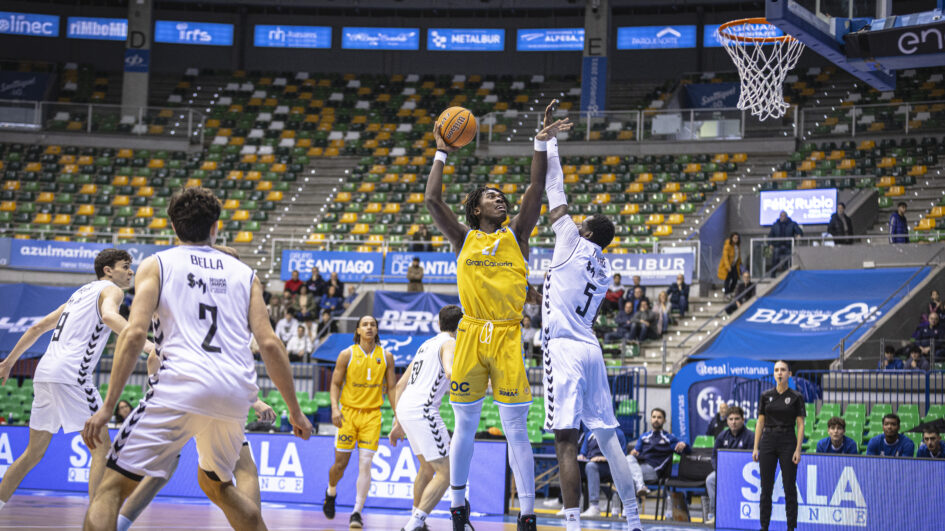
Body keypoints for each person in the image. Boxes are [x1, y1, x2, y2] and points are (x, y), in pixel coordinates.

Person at [81, 186, 313, 530]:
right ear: (215, 227)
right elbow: (270, 344)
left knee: (110, 489)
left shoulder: (157, 264)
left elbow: (133, 334)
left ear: (173, 228)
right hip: (233, 394)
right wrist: (295, 411)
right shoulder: (246, 274)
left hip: (180, 386)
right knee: (217, 485)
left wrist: (107, 406)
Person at [424, 98, 569, 531]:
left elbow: (534, 190)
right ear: (475, 209)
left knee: (515, 429)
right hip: (469, 334)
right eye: (491, 197)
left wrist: (540, 145)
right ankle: (457, 506)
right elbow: (432, 199)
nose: (500, 199)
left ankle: (527, 514)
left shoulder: (517, 234)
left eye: (502, 197)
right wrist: (441, 152)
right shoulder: (462, 238)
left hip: (506, 336)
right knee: (464, 426)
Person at [539, 126, 643, 531]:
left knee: (565, 440)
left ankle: (571, 523)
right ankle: (633, 519)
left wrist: (549, 141)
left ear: (585, 231)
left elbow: (553, 184)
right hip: (590, 347)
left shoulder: (570, 238)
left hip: (564, 349)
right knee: (607, 437)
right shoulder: (604, 268)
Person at [0, 249, 154, 512]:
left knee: (32, 453)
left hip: (45, 373)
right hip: (72, 375)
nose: (131, 272)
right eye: (125, 266)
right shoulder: (112, 291)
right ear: (108, 270)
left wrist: (8, 363)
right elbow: (108, 316)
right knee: (102, 448)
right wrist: (151, 347)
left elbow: (37, 328)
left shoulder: (77, 295)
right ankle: (97, 520)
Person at [114, 350, 278, 531]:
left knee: (165, 469)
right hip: (212, 394)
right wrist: (254, 400)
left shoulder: (169, 330)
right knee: (240, 470)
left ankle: (119, 525)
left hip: (174, 394)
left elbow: (150, 351)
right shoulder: (223, 329)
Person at [388, 305, 462, 531]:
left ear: (439, 324)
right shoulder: (450, 343)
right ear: (461, 326)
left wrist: (397, 421)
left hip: (406, 409)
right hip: (423, 410)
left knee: (427, 469)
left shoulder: (425, 345)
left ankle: (416, 519)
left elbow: (400, 385)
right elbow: (450, 372)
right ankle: (413, 525)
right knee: (446, 473)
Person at [323, 315, 397, 529]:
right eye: (364, 325)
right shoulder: (346, 354)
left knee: (365, 464)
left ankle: (356, 512)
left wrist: (397, 414)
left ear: (376, 330)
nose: (369, 328)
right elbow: (335, 384)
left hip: (372, 415)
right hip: (348, 414)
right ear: (357, 330)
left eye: (372, 324)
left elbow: (391, 388)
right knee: (340, 465)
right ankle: (331, 492)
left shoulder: (386, 356)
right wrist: (335, 408)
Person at [753, 360, 805, 531]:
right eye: (776, 370)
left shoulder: (797, 397)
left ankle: (791, 527)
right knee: (765, 488)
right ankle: (764, 527)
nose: (779, 373)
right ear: (774, 374)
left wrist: (798, 449)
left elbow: (801, 425)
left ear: (789, 374)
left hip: (787, 440)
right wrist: (756, 447)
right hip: (768, 440)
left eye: (783, 370)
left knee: (789, 487)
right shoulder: (765, 395)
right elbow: (760, 423)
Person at [625, 408, 688, 518]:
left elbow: (685, 449)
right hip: (641, 468)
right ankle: (640, 487)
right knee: (629, 458)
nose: (656, 420)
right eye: (654, 417)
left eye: (659, 417)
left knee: (626, 476)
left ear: (664, 420)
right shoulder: (644, 437)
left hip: (655, 471)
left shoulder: (669, 438)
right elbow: (636, 451)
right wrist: (634, 452)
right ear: (650, 419)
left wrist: (684, 445)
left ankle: (632, 507)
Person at [704, 405, 753, 525]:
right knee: (710, 480)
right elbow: (714, 456)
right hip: (724, 472)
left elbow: (752, 459)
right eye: (731, 419)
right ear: (727, 421)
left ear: (743, 419)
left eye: (737, 419)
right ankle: (716, 515)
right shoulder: (722, 436)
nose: (734, 422)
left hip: (745, 474)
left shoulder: (751, 436)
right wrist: (719, 470)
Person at [577, 428, 628, 518]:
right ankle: (573, 506)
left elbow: (623, 455)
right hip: (592, 466)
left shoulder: (618, 433)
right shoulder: (589, 434)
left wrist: (604, 458)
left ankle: (594, 506)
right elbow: (583, 453)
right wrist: (581, 456)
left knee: (591, 466)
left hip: (611, 467)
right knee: (574, 467)